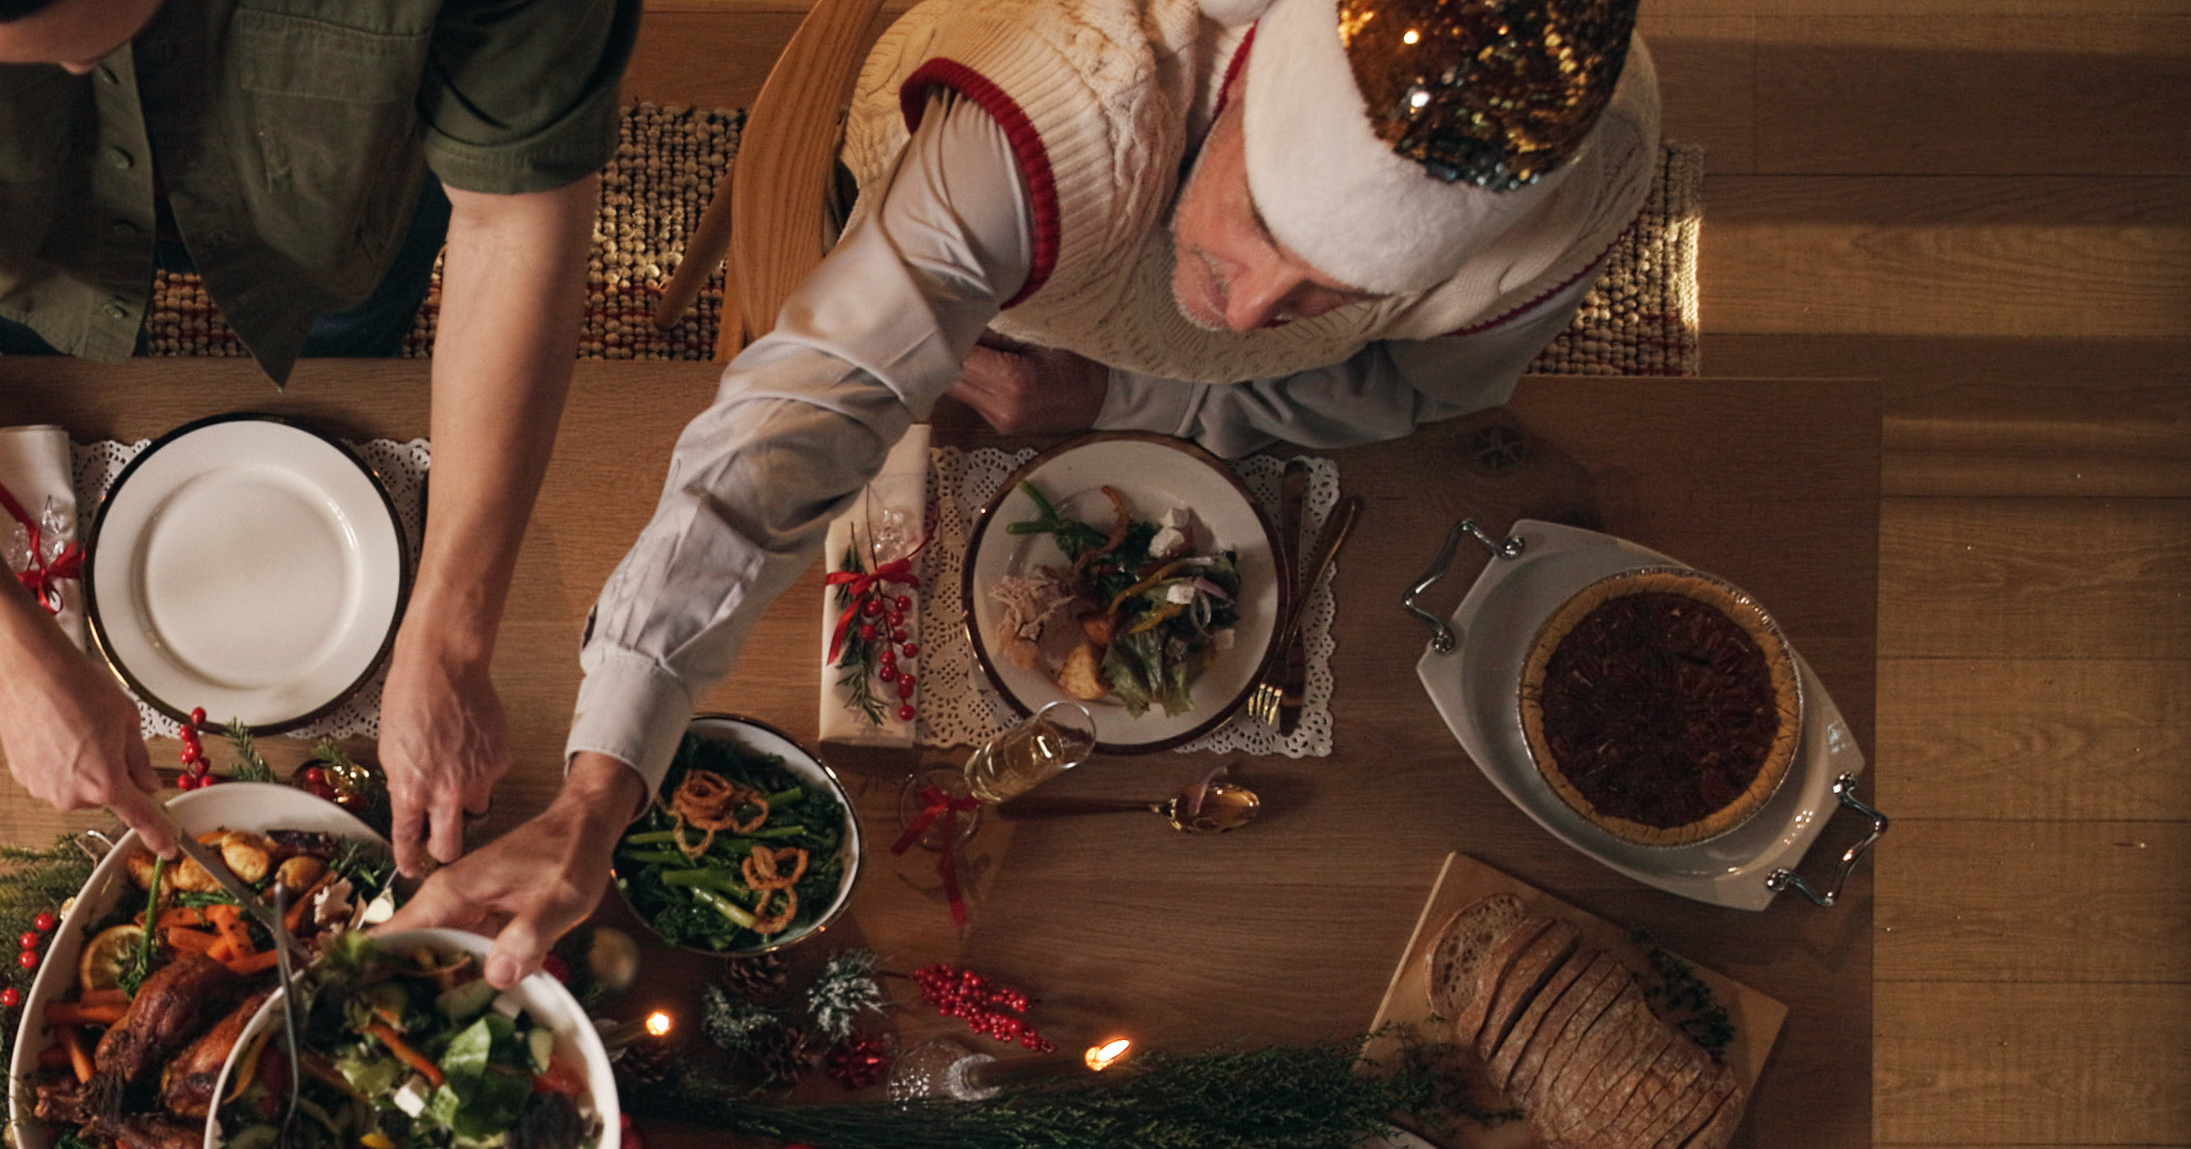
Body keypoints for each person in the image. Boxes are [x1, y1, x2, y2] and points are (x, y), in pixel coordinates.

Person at [405, 0, 1660, 978]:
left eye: (1327, 294)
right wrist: (596, 785)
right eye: (1258, 224)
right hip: (968, 253)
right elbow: (795, 425)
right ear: (1229, 98)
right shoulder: (1065, 109)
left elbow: (1401, 396)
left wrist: (1133, 402)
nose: (1253, 310)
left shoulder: (1583, 191)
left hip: (1107, 396)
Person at [0, 0, 633, 872]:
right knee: (48, 347)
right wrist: (2, 648)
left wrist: (457, 639)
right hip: (28, 231)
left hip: (339, 206)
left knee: (348, 341)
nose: (85, 73)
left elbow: (517, 215)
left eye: (98, 31)